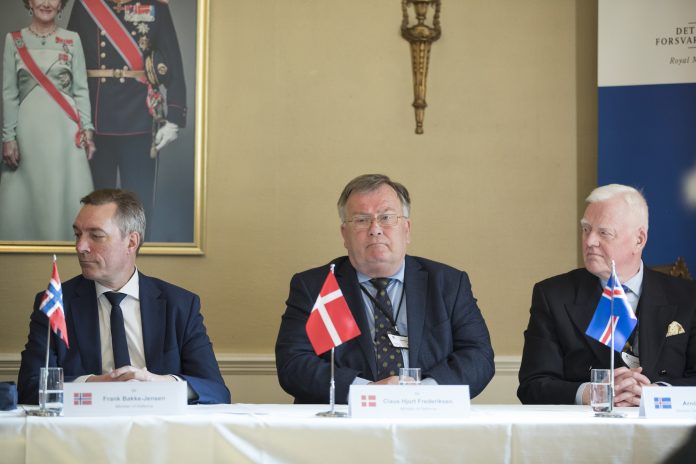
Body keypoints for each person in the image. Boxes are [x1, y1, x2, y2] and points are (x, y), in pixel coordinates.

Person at [275, 174, 495, 404]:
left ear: (406, 229)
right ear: (344, 234)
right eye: (361, 220)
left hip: (429, 414)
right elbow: (293, 363)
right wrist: (367, 392)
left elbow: (478, 357)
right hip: (345, 417)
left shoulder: (448, 283)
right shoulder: (316, 287)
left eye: (386, 217)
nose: (375, 229)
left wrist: (423, 394)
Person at [17, 189, 230, 404]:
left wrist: (159, 383)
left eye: (96, 235)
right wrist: (93, 385)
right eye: (78, 234)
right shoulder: (55, 304)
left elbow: (216, 391)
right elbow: (30, 387)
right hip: (87, 423)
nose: (80, 247)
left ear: (131, 242)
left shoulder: (180, 305)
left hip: (159, 423)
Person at [518, 184, 696, 406]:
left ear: (639, 240)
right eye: (586, 229)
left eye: (604, 233)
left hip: (664, 426)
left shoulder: (688, 298)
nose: (589, 241)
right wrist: (593, 393)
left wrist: (657, 395)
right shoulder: (553, 296)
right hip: (588, 426)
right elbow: (532, 386)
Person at [67, 0, 187, 240]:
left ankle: (139, 259)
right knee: (96, 204)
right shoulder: (86, 6)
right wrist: (69, 116)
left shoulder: (156, 7)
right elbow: (69, 61)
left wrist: (174, 118)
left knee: (139, 204)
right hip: (94, 122)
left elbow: (172, 59)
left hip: (140, 120)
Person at [1, 0, 96, 241]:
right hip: (28, 131)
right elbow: (9, 93)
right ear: (29, 3)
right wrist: (8, 137)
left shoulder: (72, 39)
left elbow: (81, 89)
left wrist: (87, 129)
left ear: (61, 4)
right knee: (30, 195)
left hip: (65, 131)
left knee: (63, 193)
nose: (46, 3)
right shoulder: (14, 40)